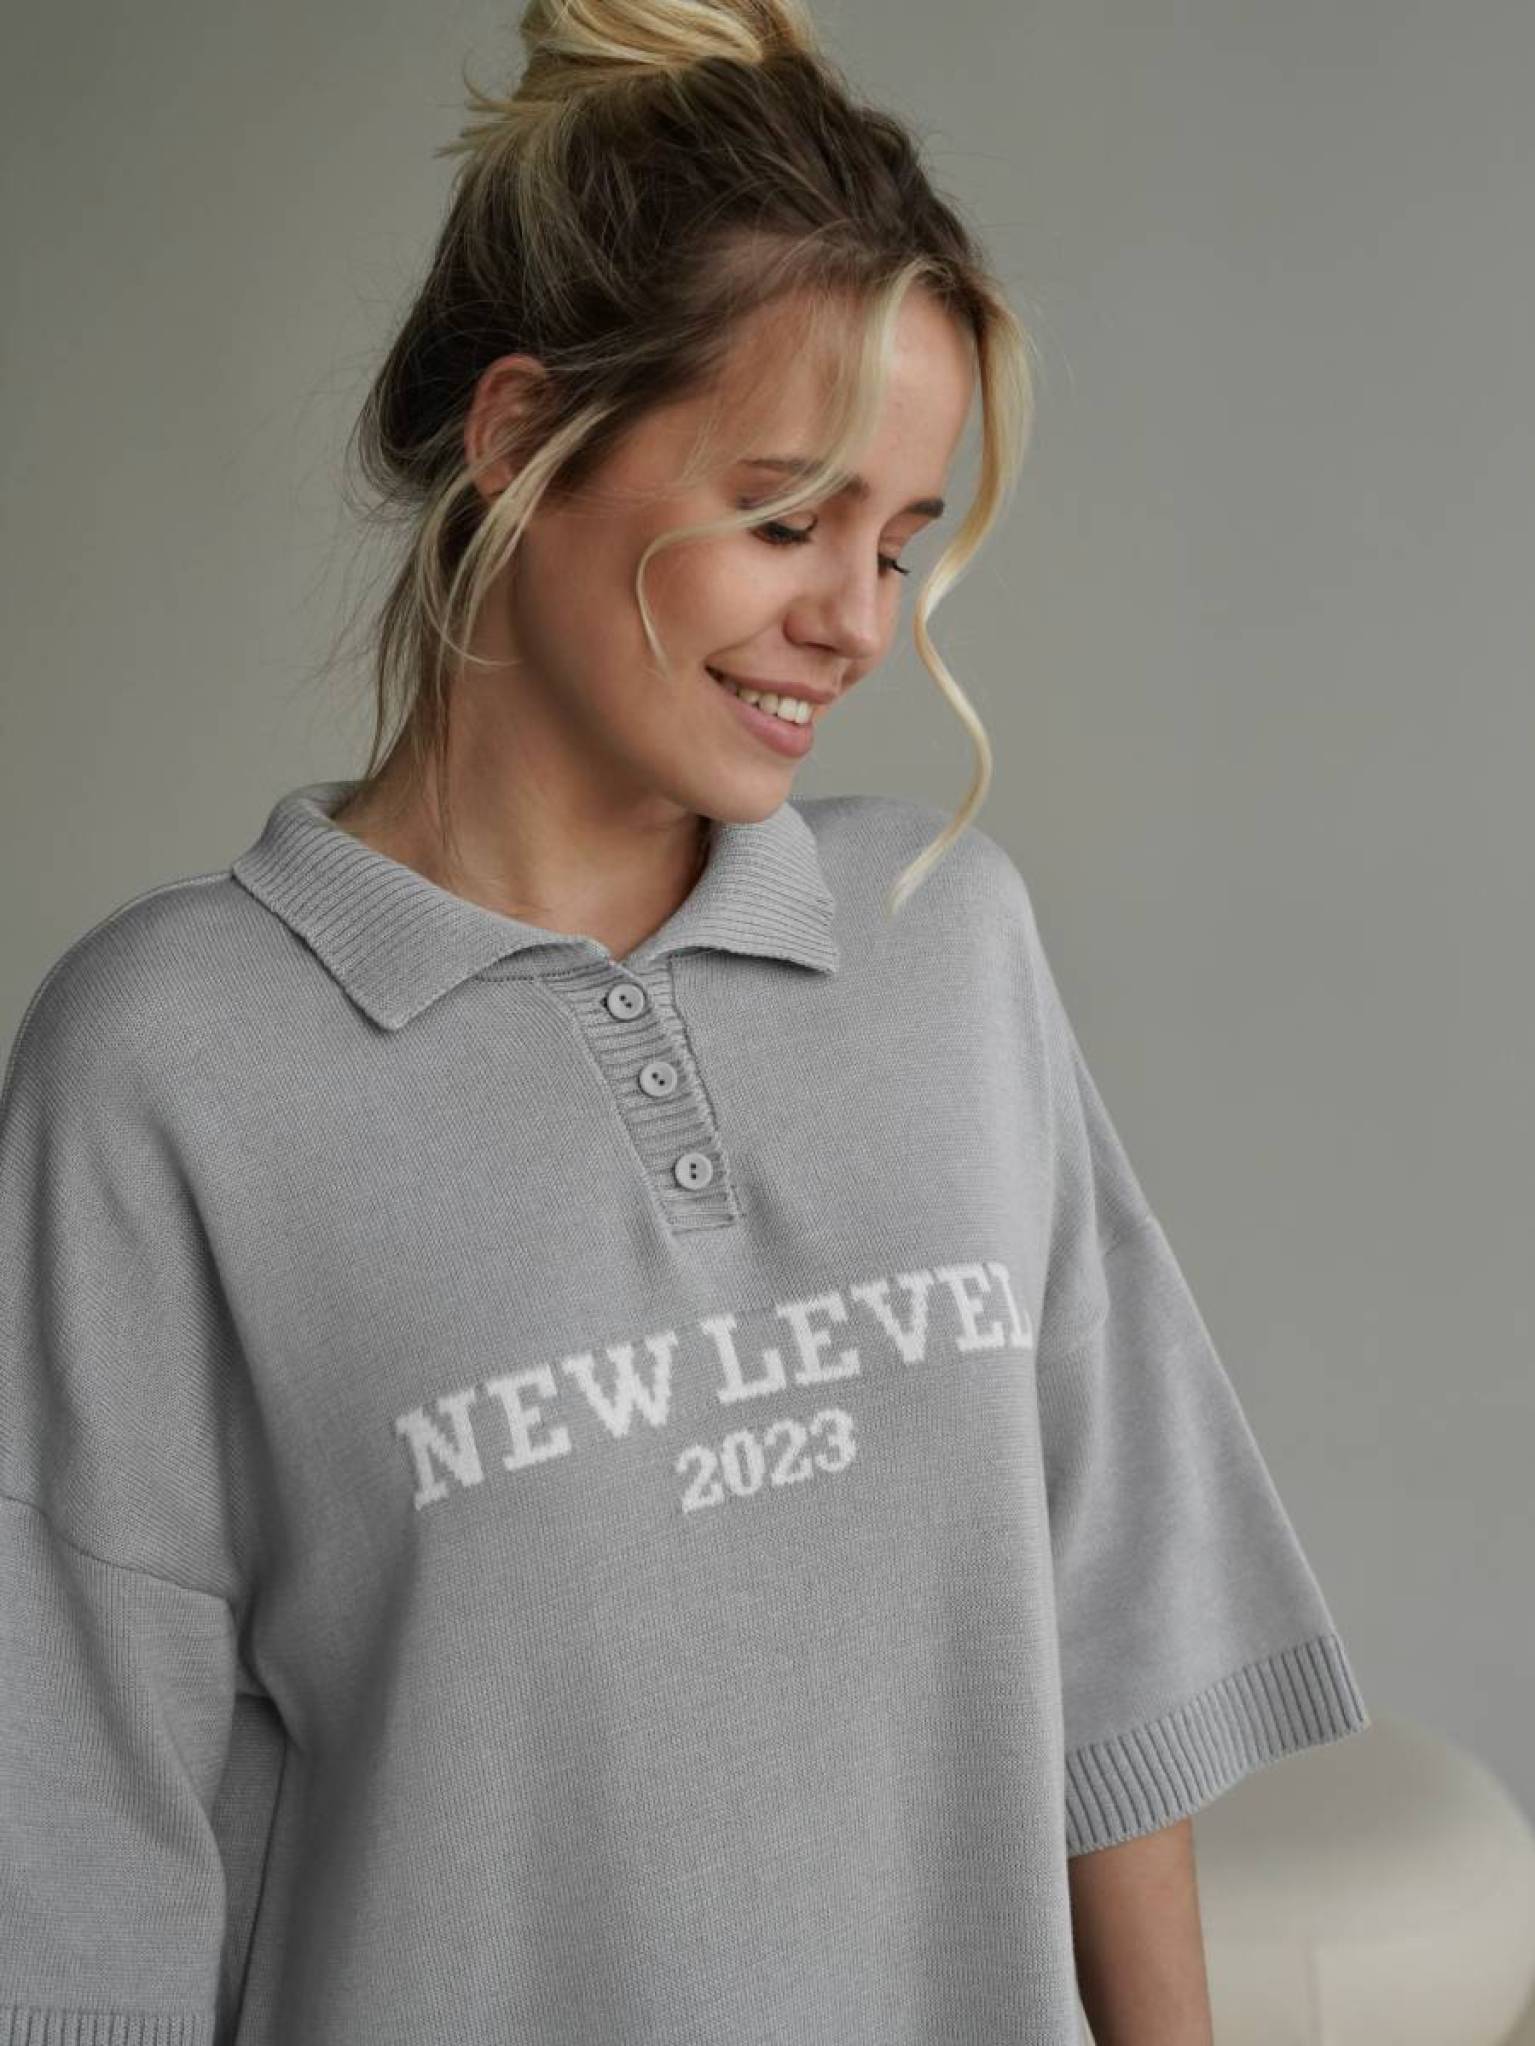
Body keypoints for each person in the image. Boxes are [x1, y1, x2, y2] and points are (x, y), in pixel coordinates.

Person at [0, 1, 1369, 2041]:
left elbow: (1116, 1661)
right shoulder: (169, 1063)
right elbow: (75, 1860)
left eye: (897, 542)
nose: (857, 620)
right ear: (520, 439)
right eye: (785, 517)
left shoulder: (944, 943)